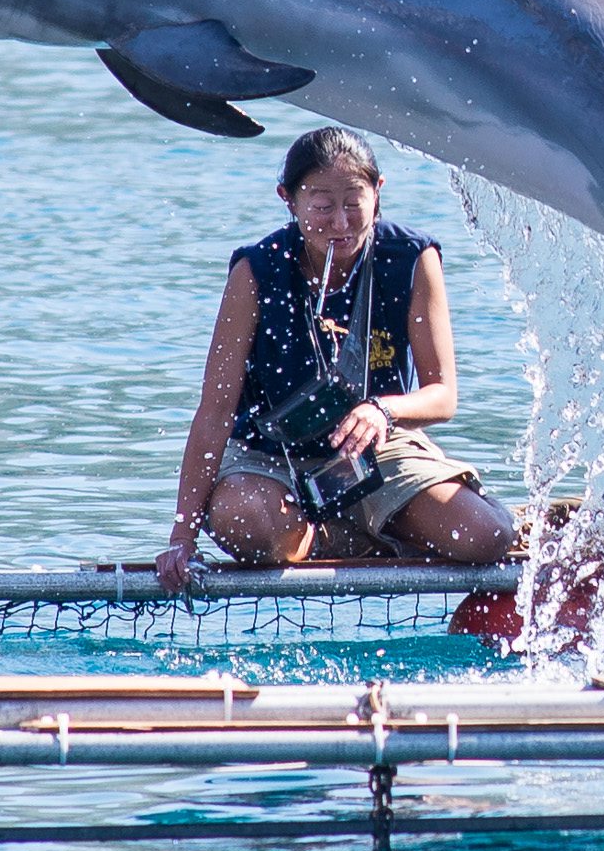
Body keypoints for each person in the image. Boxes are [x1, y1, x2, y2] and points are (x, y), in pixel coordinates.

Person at [157, 128, 517, 591]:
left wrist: (382, 410)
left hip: (378, 449)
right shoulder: (255, 270)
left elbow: (442, 396)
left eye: (354, 202)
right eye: (323, 206)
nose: (341, 223)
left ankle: (366, 521)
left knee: (485, 537)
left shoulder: (412, 257)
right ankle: (350, 532)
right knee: (251, 527)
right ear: (289, 200)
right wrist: (182, 537)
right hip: (269, 457)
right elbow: (215, 411)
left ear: (378, 191)